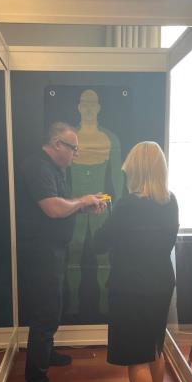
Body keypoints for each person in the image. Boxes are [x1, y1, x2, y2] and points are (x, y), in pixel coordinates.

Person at [18, 122, 105, 382]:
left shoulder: (54, 169)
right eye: (73, 148)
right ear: (57, 144)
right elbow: (53, 208)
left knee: (51, 313)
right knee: (45, 318)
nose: (75, 154)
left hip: (50, 252)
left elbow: (62, 205)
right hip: (41, 254)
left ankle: (48, 354)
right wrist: (81, 201)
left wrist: (82, 206)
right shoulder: (38, 167)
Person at [94, 141, 179, 382]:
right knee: (154, 343)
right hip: (161, 281)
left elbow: (99, 244)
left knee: (136, 355)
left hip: (132, 286)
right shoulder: (171, 201)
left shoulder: (128, 205)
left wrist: (101, 217)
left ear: (136, 171)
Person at [66, 89, 123, 317]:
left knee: (104, 256)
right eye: (85, 104)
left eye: (93, 104)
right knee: (73, 253)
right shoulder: (70, 138)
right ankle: (72, 302)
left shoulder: (110, 139)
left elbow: (118, 178)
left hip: (100, 207)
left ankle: (103, 303)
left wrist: (117, 209)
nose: (89, 108)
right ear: (79, 107)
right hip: (74, 207)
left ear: (98, 108)